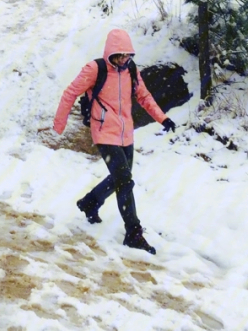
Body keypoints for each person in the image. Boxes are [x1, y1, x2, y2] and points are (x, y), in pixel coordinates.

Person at [52, 28, 177, 254]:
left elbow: (145, 97)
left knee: (121, 178)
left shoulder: (130, 70)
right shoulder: (95, 69)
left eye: (127, 55)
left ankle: (90, 202)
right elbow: (70, 93)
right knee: (125, 180)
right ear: (110, 53)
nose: (123, 59)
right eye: (119, 55)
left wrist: (163, 118)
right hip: (104, 132)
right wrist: (59, 124)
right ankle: (133, 233)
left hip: (125, 133)